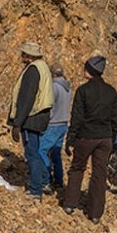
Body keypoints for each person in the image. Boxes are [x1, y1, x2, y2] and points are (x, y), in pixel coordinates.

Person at [63, 55, 117, 224]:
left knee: (78, 168)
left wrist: (70, 138)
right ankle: (95, 212)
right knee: (99, 173)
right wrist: (114, 137)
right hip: (105, 137)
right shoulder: (111, 92)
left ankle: (70, 203)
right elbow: (115, 118)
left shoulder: (83, 91)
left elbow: (77, 118)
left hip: (86, 136)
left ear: (90, 71)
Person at [7, 42, 54, 201]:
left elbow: (26, 98)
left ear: (29, 56)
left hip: (32, 118)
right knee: (37, 151)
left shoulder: (33, 70)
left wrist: (17, 123)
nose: (22, 57)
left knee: (32, 154)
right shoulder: (43, 67)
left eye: (24, 54)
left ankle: (35, 190)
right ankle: (45, 181)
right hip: (41, 116)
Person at [39, 63, 71, 193]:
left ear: (51, 74)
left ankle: (46, 180)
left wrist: (43, 122)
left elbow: (50, 107)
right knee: (56, 153)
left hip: (53, 124)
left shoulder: (54, 87)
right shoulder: (68, 88)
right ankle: (58, 180)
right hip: (63, 123)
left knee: (41, 151)